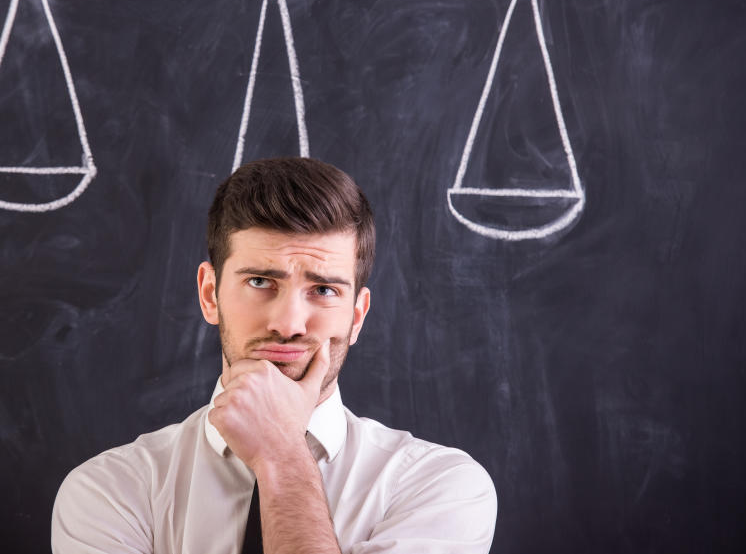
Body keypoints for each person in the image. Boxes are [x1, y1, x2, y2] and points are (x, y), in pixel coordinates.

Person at [52, 157, 497, 554]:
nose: (288, 323)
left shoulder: (439, 486)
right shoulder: (111, 491)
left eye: (323, 290)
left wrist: (281, 454)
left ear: (357, 317)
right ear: (210, 295)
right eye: (261, 282)